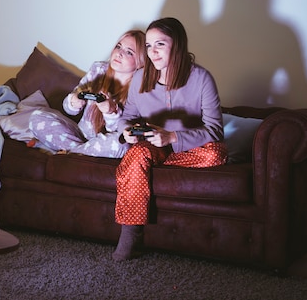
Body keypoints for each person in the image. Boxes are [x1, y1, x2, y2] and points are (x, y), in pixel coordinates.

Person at [112, 17, 228, 261]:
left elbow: (215, 131)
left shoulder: (202, 79)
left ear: (177, 45)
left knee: (217, 153)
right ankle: (131, 235)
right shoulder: (140, 77)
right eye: (149, 46)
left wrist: (173, 136)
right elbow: (128, 116)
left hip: (187, 150)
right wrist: (126, 131)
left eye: (160, 45)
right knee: (137, 154)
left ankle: (145, 168)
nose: (152, 52)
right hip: (150, 147)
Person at [28, 29, 145, 158]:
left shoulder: (139, 88)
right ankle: (79, 152)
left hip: (105, 143)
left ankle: (68, 154)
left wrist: (110, 111)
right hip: (79, 134)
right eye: (118, 46)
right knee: (36, 117)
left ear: (140, 61)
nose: (119, 53)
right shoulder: (98, 69)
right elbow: (69, 110)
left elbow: (117, 130)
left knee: (121, 145)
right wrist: (74, 101)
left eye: (129, 52)